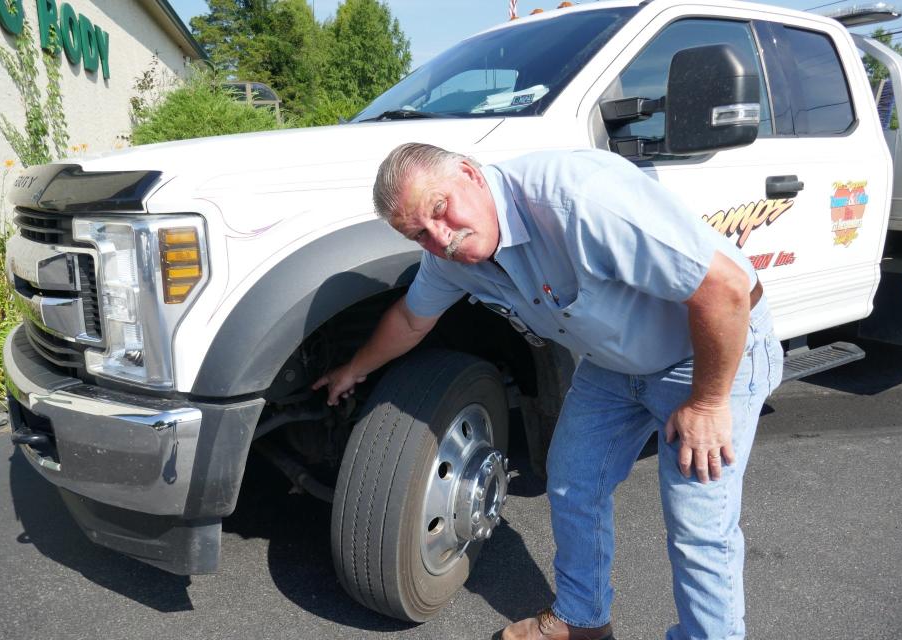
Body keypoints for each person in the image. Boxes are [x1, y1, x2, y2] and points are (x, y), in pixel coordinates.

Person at [313, 142, 784, 640]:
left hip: (706, 352)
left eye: (438, 209)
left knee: (699, 529)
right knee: (572, 480)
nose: (440, 238)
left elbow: (726, 288)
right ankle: (583, 620)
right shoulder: (451, 257)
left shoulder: (577, 199)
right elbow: (410, 319)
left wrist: (708, 403)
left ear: (471, 174)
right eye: (420, 235)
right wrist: (352, 370)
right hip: (614, 364)